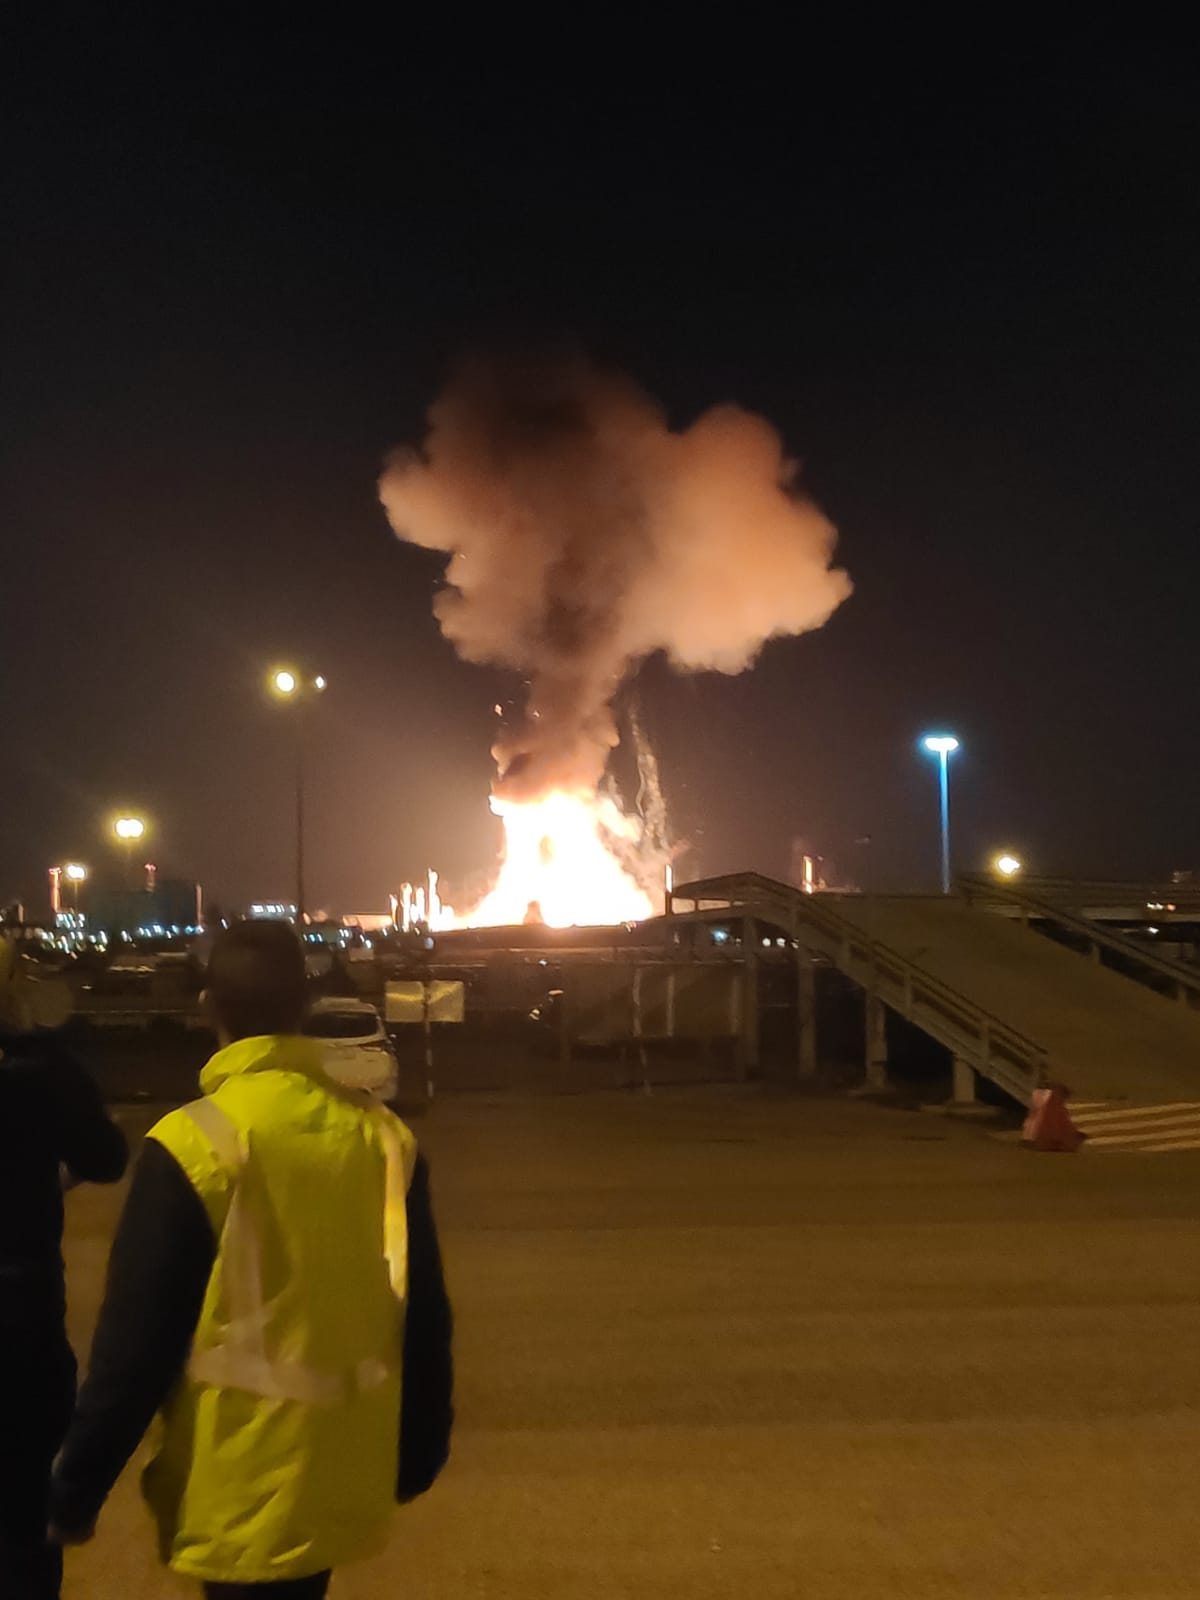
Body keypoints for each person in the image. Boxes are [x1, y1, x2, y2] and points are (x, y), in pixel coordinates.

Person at [49, 919, 453, 1598]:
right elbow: (425, 1317)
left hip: (236, 1480)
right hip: (341, 1469)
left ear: (209, 1007)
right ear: (304, 1007)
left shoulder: (193, 1143)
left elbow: (134, 1348)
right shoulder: (384, 1138)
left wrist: (75, 1489)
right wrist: (417, 1451)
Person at [0, 935, 128, 1599]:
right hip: (21, 1317)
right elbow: (107, 1156)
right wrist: (55, 1178)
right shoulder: (43, 1068)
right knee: (25, 1520)